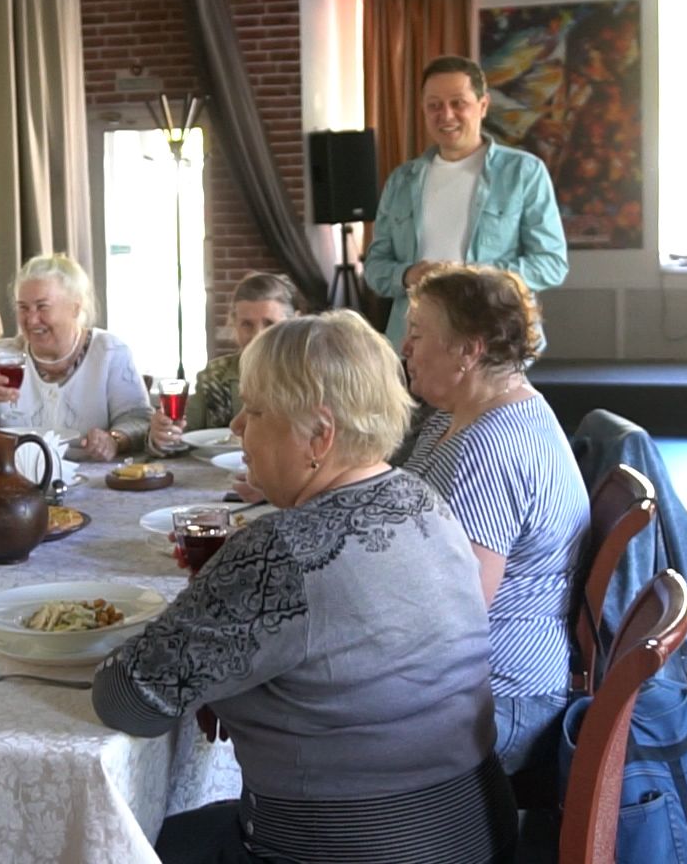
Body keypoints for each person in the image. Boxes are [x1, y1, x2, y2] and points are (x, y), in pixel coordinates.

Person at [95, 311, 515, 864]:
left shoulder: (282, 550)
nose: (238, 426)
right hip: (472, 834)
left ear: (320, 432)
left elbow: (128, 701)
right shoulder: (424, 501)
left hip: (347, 848)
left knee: (97, 842)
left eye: (257, 410)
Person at [400, 265, 589, 776]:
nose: (405, 347)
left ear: (469, 349)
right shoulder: (458, 414)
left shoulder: (490, 446)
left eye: (418, 333)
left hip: (501, 699)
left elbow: (456, 615)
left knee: (314, 727)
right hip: (475, 682)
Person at [364, 54, 569, 349]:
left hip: (495, 344)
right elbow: (375, 267)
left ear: (483, 105)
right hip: (413, 347)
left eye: (458, 103)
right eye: (434, 105)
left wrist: (473, 277)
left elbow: (551, 263)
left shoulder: (524, 173)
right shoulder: (401, 181)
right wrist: (409, 274)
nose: (445, 115)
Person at [0, 254, 150, 461]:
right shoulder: (1, 356)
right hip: (17, 481)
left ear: (75, 307)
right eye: (23, 308)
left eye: (42, 307)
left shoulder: (110, 352)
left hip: (95, 484)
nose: (31, 319)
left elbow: (139, 421)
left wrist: (114, 439)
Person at [147, 271, 301, 454]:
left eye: (269, 324)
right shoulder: (215, 376)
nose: (258, 335)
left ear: (295, 323)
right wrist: (163, 435)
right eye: (247, 324)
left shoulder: (310, 376)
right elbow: (182, 437)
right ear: (234, 324)